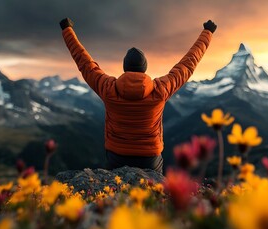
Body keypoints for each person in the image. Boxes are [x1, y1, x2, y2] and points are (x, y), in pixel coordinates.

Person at [60, 18, 216, 174]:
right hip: (150, 157)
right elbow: (188, 64)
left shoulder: (108, 89)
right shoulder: (160, 90)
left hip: (116, 155)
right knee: (153, 194)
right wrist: (207, 32)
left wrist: (67, 30)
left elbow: (84, 62)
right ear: (145, 68)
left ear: (124, 67)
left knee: (116, 195)